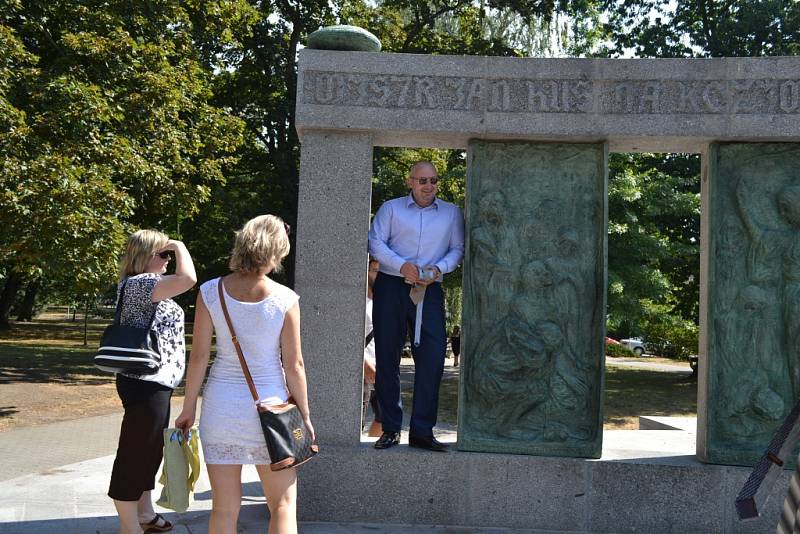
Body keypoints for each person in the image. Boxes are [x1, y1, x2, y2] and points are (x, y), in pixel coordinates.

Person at [176, 215, 313, 534]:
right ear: (277, 251)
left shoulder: (211, 291)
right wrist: (304, 415)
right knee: (281, 506)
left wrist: (188, 407)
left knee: (223, 509)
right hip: (273, 411)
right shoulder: (285, 299)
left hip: (221, 409)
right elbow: (294, 365)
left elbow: (198, 357)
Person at [367, 160, 464, 452]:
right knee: (387, 358)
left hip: (430, 289)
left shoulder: (451, 213)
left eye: (433, 180)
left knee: (433, 359)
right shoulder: (391, 208)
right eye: (422, 181)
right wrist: (401, 265)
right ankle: (390, 428)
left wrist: (440, 269)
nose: (428, 186)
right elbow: (375, 242)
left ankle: (422, 431)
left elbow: (458, 248)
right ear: (410, 182)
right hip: (391, 285)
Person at [109, 230, 197, 534]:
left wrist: (170, 248)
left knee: (148, 451)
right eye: (163, 254)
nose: (168, 259)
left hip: (154, 383)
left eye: (169, 254)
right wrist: (179, 243)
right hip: (145, 382)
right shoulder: (140, 284)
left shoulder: (148, 286)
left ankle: (144, 515)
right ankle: (129, 526)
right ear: (145, 256)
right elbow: (188, 279)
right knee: (135, 454)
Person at [363, 258, 382, 437]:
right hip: (363, 368)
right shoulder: (359, 303)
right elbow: (348, 336)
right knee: (357, 421)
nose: (378, 275)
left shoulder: (384, 302)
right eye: (374, 270)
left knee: (384, 416)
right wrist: (364, 362)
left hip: (381, 368)